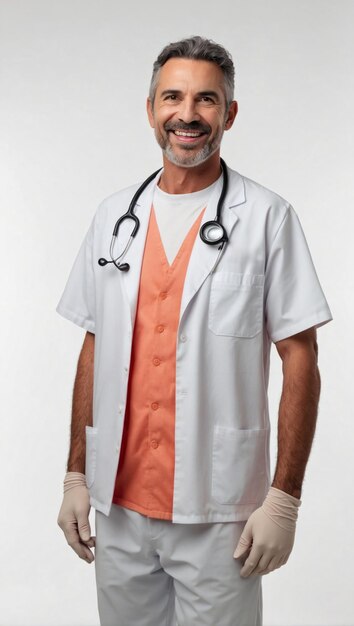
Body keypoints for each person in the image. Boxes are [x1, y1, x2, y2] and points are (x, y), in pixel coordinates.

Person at [57, 36, 332, 626]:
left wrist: (284, 498)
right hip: (120, 508)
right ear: (151, 107)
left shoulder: (266, 218)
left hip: (219, 511)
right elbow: (94, 344)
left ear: (229, 114)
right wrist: (76, 472)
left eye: (206, 100)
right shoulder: (113, 218)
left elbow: (301, 357)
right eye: (173, 97)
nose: (188, 114)